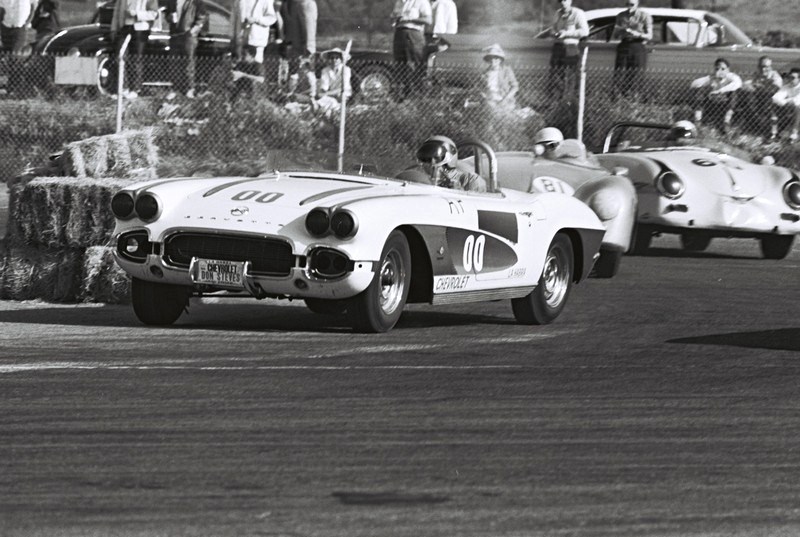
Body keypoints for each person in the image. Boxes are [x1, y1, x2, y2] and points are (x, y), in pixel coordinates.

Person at [111, 0, 160, 99]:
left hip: (140, 29)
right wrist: (113, 29)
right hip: (124, 28)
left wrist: (137, 14)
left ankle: (135, 89)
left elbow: (154, 14)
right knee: (120, 56)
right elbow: (117, 12)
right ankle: (123, 88)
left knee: (136, 59)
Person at [165, 0, 207, 99]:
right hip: (175, 35)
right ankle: (175, 88)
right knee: (174, 63)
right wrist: (169, 17)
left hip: (189, 37)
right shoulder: (172, 2)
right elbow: (166, 15)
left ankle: (189, 89)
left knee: (188, 63)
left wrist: (192, 31)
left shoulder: (196, 2)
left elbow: (201, 18)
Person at [415, 135, 487, 192]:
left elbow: (476, 205)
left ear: (449, 155)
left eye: (436, 157)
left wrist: (458, 192)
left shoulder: (469, 180)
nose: (431, 161)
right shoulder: (419, 174)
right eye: (426, 158)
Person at [547, 0, 588, 99]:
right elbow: (552, 28)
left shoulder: (578, 13)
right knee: (556, 75)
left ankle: (568, 101)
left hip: (571, 48)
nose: (563, 3)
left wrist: (567, 33)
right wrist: (555, 33)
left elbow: (585, 31)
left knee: (569, 76)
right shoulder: (558, 13)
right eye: (560, 1)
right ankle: (556, 101)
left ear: (570, 1)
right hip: (558, 47)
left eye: (565, 0)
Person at [391, 0, 432, 97]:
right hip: (399, 33)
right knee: (399, 64)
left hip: (414, 33)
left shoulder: (421, 1)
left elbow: (428, 20)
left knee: (415, 63)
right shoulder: (399, 2)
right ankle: (402, 94)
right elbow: (393, 17)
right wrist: (394, 19)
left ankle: (417, 94)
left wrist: (409, 19)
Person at [611, 0, 652, 98]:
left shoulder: (644, 16)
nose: (629, 7)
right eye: (627, 4)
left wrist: (637, 34)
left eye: (632, 4)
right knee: (620, 72)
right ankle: (618, 96)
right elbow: (615, 34)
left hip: (638, 44)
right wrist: (621, 31)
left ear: (637, 4)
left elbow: (649, 36)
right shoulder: (621, 16)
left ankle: (634, 97)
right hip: (624, 44)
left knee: (636, 74)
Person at [690, 57, 742, 132]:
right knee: (700, 91)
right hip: (712, 102)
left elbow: (738, 83)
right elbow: (693, 84)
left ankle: (726, 121)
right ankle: (698, 120)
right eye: (717, 69)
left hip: (725, 103)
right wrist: (709, 81)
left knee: (734, 94)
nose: (720, 71)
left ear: (728, 69)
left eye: (723, 69)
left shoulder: (731, 77)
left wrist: (720, 91)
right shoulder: (711, 78)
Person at [741, 56, 783, 139]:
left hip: (770, 100)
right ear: (758, 67)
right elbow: (745, 84)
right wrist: (753, 86)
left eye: (766, 67)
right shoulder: (757, 75)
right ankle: (752, 128)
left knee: (766, 100)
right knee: (748, 98)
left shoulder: (775, 75)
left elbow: (773, 89)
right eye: (761, 67)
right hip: (756, 99)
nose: (763, 69)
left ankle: (766, 131)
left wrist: (757, 87)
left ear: (770, 67)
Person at [279, 0, 317, 89]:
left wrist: (308, 47)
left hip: (304, 48)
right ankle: (291, 94)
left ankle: (310, 94)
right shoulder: (291, 4)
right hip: (293, 45)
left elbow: (309, 26)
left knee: (306, 73)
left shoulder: (306, 4)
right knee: (293, 72)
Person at [480, 43, 518, 113]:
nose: (493, 60)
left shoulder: (506, 70)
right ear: (489, 60)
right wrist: (485, 96)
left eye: (496, 58)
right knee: (492, 112)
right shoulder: (485, 73)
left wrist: (506, 99)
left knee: (503, 114)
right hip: (490, 100)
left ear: (500, 59)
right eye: (491, 58)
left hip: (505, 99)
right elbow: (482, 89)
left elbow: (515, 87)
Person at [315, 47, 352, 118]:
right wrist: (324, 93)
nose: (334, 60)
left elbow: (344, 88)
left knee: (338, 97)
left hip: (344, 94)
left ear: (341, 59)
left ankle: (326, 109)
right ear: (329, 59)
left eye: (337, 58)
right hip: (331, 94)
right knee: (330, 101)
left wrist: (326, 93)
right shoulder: (325, 70)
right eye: (332, 58)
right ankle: (327, 111)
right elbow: (324, 86)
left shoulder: (346, 70)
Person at [772, 68, 800, 142]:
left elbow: (796, 101)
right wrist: (788, 101)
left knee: (797, 108)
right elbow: (775, 98)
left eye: (793, 78)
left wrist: (785, 101)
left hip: (797, 110)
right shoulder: (786, 87)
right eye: (789, 77)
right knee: (774, 106)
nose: (790, 79)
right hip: (788, 108)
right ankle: (774, 133)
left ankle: (794, 134)